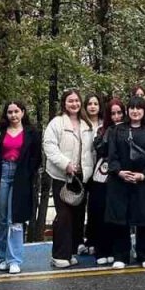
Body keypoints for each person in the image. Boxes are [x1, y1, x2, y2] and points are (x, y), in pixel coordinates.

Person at [42, 89, 95, 268]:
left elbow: (91, 150)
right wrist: (66, 164)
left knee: (77, 217)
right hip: (62, 177)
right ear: (64, 103)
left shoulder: (86, 124)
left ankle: (70, 251)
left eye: (77, 101)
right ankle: (59, 255)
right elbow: (49, 147)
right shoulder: (56, 123)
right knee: (63, 215)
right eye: (70, 101)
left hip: (81, 178)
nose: (74, 104)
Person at [105, 96, 145, 269]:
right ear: (127, 110)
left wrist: (144, 175)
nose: (135, 111)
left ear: (144, 111)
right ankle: (121, 255)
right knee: (121, 219)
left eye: (139, 108)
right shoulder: (117, 130)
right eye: (132, 108)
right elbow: (111, 155)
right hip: (120, 181)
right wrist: (119, 172)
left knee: (142, 218)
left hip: (143, 181)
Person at [0, 100, 40, 274]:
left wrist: (28, 173)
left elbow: (36, 158)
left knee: (16, 219)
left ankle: (14, 259)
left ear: (23, 112)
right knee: (3, 218)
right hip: (2, 174)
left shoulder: (32, 133)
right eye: (10, 112)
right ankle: (2, 257)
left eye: (16, 111)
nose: (13, 115)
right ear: (6, 114)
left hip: (21, 176)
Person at [88, 98, 123, 265]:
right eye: (113, 113)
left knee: (117, 216)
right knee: (100, 213)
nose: (116, 116)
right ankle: (102, 249)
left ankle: (118, 251)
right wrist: (110, 133)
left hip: (121, 177)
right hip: (102, 176)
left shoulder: (130, 129)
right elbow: (101, 149)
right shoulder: (103, 130)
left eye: (119, 113)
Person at [78, 93, 104, 254]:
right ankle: (79, 241)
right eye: (89, 104)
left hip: (99, 171)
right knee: (79, 208)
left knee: (95, 208)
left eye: (95, 103)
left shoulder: (104, 124)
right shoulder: (81, 124)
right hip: (82, 170)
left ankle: (93, 239)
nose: (92, 106)